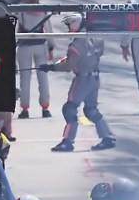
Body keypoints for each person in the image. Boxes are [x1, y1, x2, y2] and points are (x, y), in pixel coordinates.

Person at [40, 13, 116, 152]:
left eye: (69, 25)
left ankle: (67, 141)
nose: (68, 28)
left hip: (82, 80)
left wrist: (51, 67)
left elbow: (69, 65)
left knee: (69, 109)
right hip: (94, 78)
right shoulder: (96, 38)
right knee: (91, 110)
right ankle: (107, 137)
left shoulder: (76, 44)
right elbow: (90, 55)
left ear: (75, 23)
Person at [14, 0, 54, 120]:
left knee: (24, 78)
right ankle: (45, 108)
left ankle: (24, 109)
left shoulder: (20, 10)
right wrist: (51, 47)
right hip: (40, 45)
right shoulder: (43, 11)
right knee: (43, 77)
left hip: (24, 46)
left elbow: (13, 28)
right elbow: (49, 31)